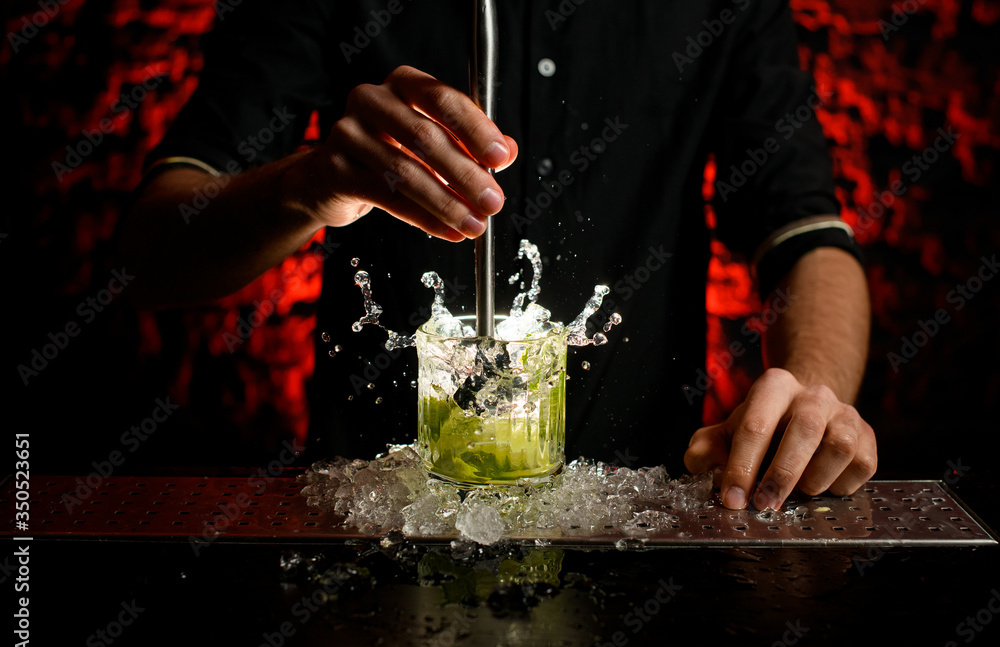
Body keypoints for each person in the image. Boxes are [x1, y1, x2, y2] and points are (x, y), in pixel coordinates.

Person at [118, 0, 877, 511]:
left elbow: (805, 230)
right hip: (378, 521)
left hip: (641, 521)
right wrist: (306, 185)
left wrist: (811, 394)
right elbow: (148, 253)